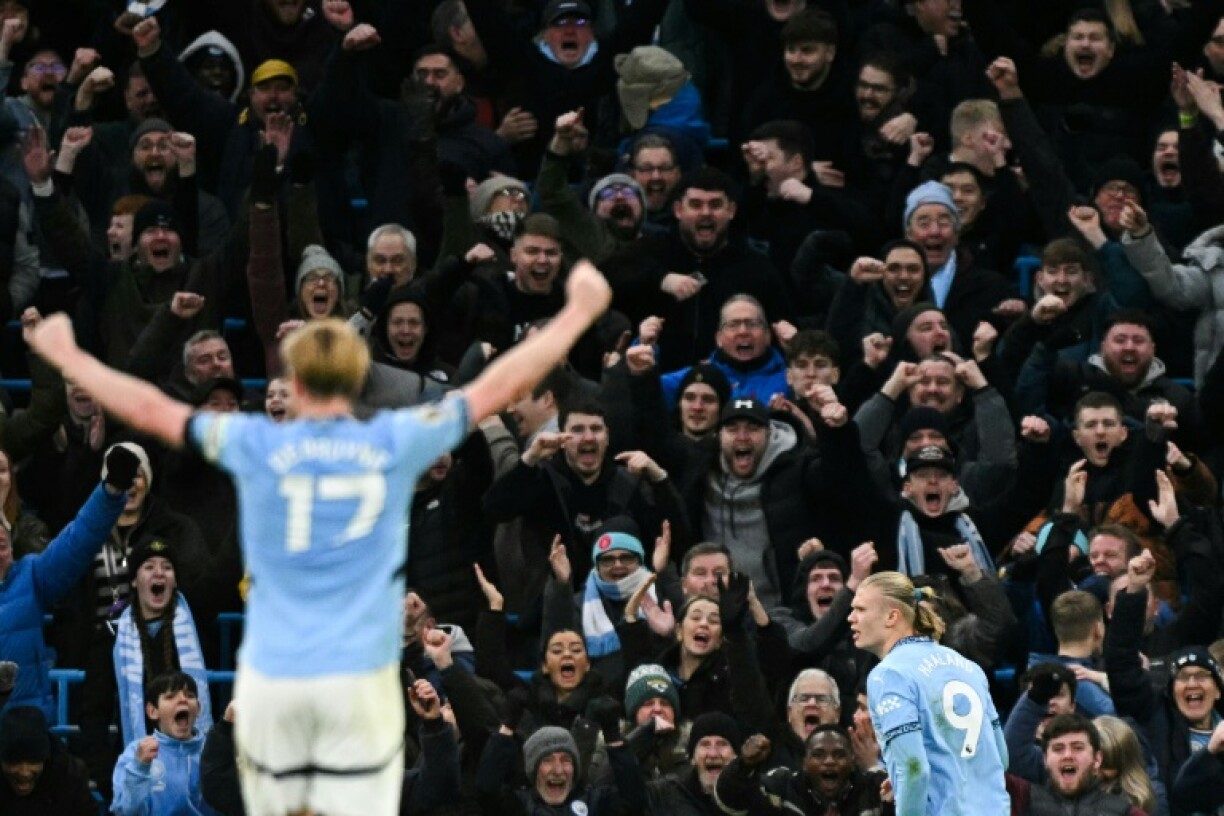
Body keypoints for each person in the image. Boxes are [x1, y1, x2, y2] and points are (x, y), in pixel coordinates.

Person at [26, 260, 613, 815]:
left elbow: (150, 407)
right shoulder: (390, 440)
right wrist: (574, 315)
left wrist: (69, 357)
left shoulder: (260, 444)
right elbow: (493, 387)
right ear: (357, 382)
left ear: (296, 385)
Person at [849, 570, 1009, 815]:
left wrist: (911, 790)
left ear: (892, 616)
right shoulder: (967, 667)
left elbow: (914, 768)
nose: (851, 618)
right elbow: (1000, 757)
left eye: (860, 609)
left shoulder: (890, 674)